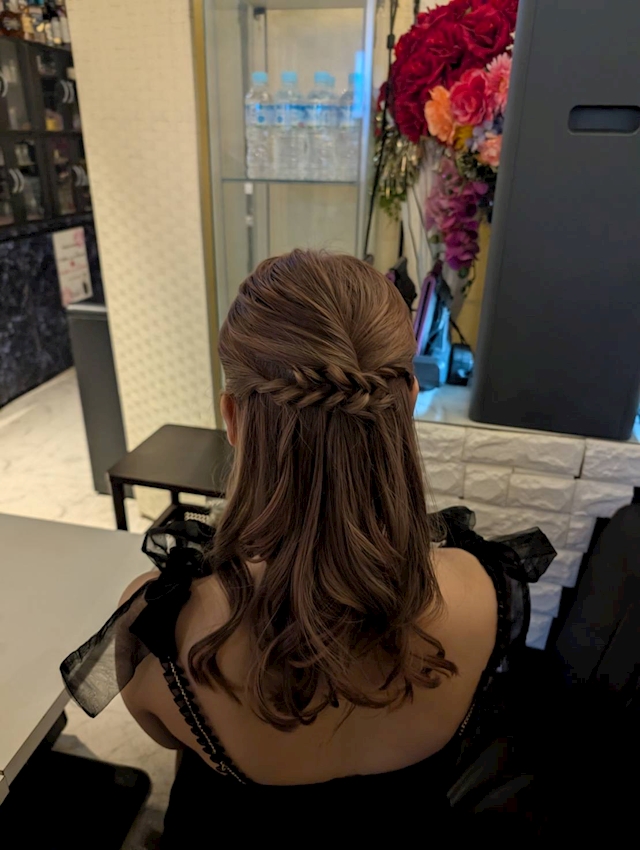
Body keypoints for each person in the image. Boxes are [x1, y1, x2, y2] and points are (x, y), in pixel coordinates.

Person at [61, 251, 554, 841]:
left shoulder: (164, 621)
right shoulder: (484, 587)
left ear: (232, 418)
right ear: (409, 401)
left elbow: (166, 735)